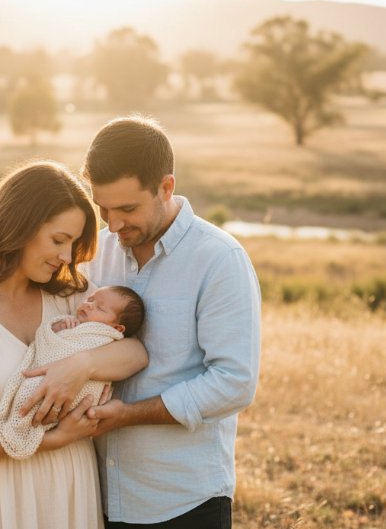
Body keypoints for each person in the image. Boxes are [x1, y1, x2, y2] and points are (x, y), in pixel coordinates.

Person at [0, 161, 148, 529]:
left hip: (67, 488)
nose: (67, 257)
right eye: (58, 240)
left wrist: (79, 367)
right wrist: (54, 439)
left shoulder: (71, 299)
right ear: (19, 226)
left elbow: (134, 351)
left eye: (73, 243)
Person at [82, 116, 262, 528]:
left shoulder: (219, 259)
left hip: (182, 502)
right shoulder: (100, 250)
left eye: (128, 208)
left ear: (166, 187)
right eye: (103, 208)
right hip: (96, 497)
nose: (113, 224)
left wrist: (128, 414)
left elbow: (234, 382)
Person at [0, 286, 146, 460]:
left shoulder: (106, 336)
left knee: (30, 390)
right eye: (90, 299)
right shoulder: (72, 321)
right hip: (57, 402)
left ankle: (17, 429)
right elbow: (49, 342)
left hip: (85, 392)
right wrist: (58, 327)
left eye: (100, 308)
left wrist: (81, 365)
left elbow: (137, 353)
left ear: (118, 328)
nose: (89, 305)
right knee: (31, 388)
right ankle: (17, 429)